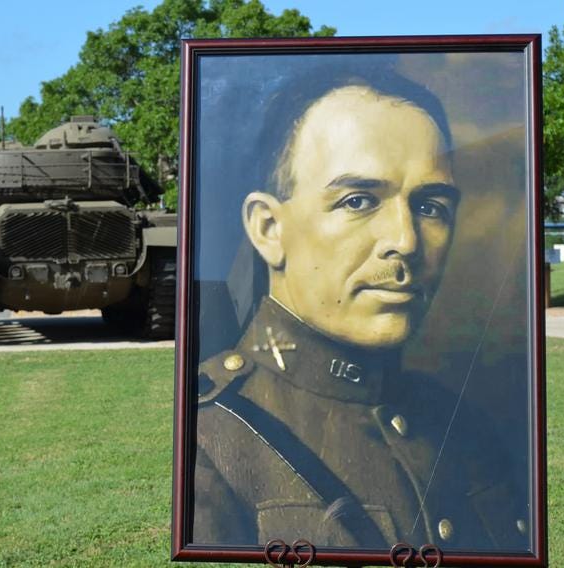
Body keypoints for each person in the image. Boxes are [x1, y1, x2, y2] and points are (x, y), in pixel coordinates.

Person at [192, 67, 529, 552]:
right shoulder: (208, 439)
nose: (406, 241)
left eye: (430, 206)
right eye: (358, 201)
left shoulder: (461, 426)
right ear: (268, 229)